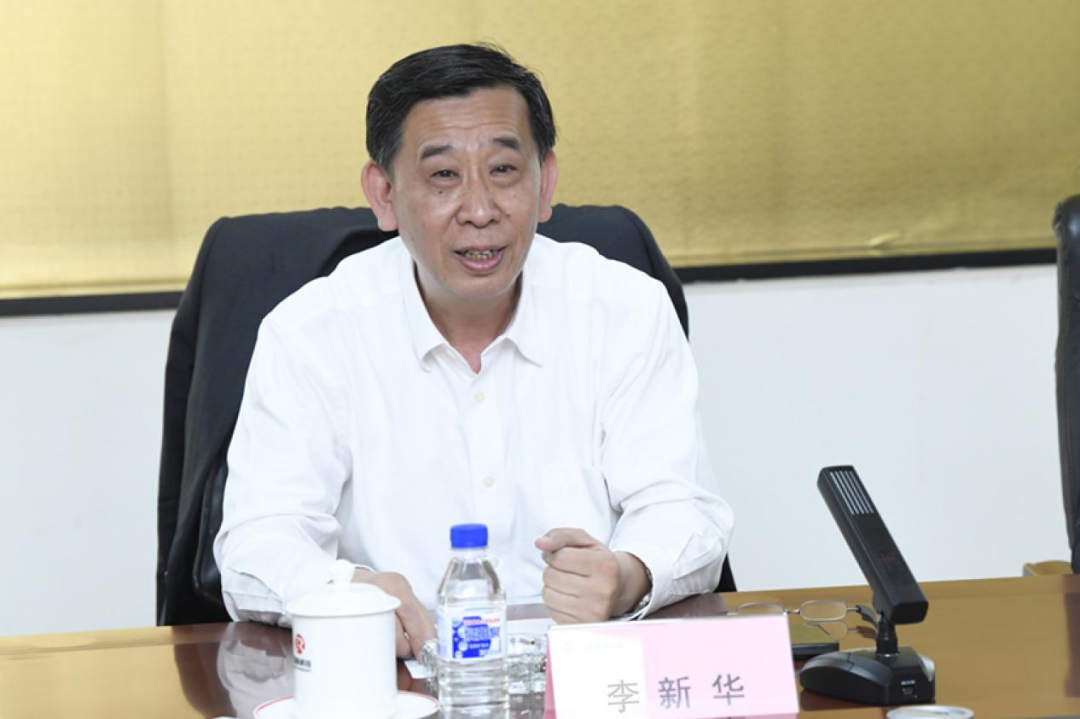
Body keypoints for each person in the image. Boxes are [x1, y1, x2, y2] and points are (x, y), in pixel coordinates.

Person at [213, 43, 734, 660]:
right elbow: (256, 545)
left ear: (545, 183)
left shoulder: (624, 310)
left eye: (504, 170)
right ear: (384, 194)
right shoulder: (311, 333)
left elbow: (683, 509)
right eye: (443, 176)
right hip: (396, 680)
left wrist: (628, 574)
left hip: (585, 676)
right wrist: (346, 593)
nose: (481, 210)